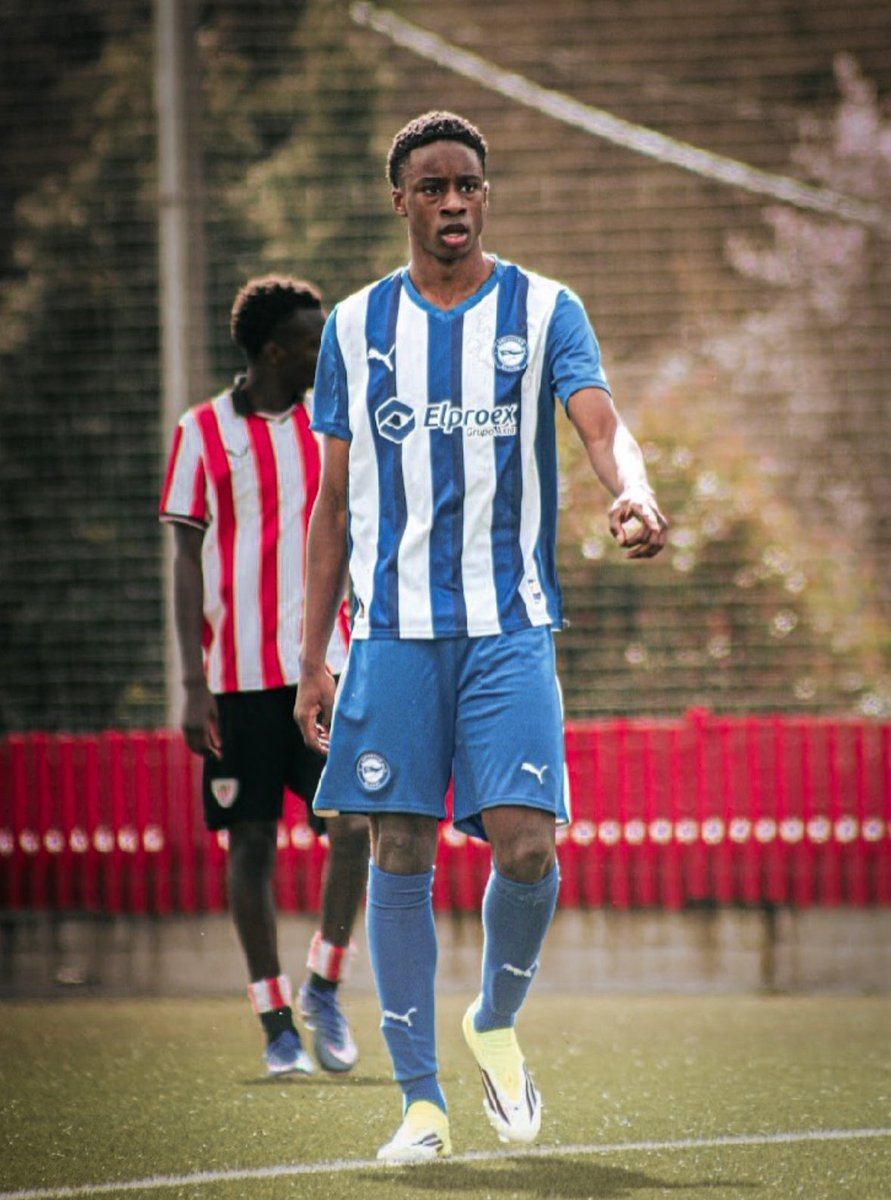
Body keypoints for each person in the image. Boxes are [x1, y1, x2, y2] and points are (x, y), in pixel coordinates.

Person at [295, 112, 667, 1159]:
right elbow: (331, 505)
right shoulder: (356, 326)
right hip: (393, 633)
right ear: (401, 201)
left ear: (485, 196)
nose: (454, 202)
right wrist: (312, 657)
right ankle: (421, 1105)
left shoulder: (546, 309)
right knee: (399, 845)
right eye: (433, 187)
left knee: (530, 844)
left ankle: (494, 1019)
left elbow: (601, 425)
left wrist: (634, 491)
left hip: (510, 626)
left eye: (469, 185)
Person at [159, 276, 369, 1077]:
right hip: (236, 682)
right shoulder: (202, 431)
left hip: (326, 671)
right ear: (277, 351)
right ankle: (276, 1023)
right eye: (315, 340)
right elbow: (184, 559)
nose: (326, 351)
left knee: (351, 826)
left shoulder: (333, 425)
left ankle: (324, 986)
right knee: (249, 845)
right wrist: (191, 683)